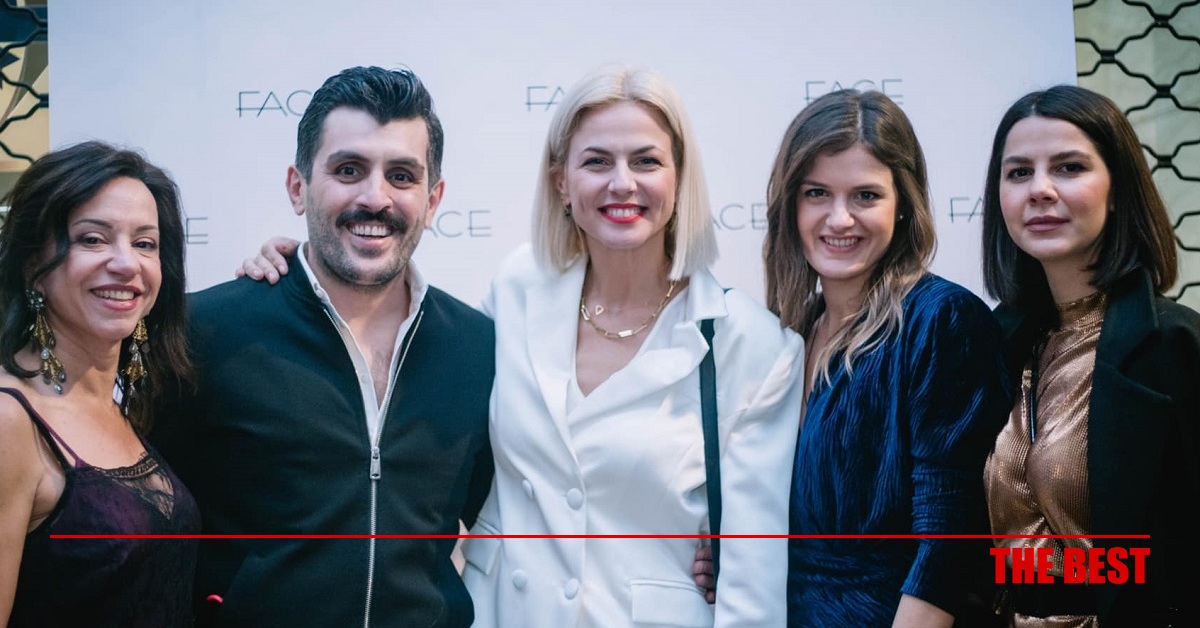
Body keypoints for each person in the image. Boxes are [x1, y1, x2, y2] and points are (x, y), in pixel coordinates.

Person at [242, 64, 803, 627]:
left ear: (680, 178)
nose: (622, 183)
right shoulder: (518, 290)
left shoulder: (751, 345)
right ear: (561, 182)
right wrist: (301, 272)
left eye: (646, 161)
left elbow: (752, 587)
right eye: (597, 161)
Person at [150, 66, 495, 627]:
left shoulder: (479, 348)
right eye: (348, 170)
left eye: (401, 176)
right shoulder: (203, 332)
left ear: (433, 200)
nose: (375, 197)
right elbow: (142, 529)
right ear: (298, 186)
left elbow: (515, 514)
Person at [763, 89, 1011, 626]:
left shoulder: (942, 320)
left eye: (866, 196)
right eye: (816, 193)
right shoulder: (788, 333)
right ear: (791, 205)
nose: (839, 218)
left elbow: (950, 540)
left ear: (902, 205)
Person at [981, 85, 1199, 627]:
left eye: (1069, 167)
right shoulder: (994, 343)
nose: (1040, 190)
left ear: (1118, 189)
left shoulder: (1174, 346)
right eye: (1019, 172)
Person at [0, 141, 197, 626]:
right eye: (93, 239)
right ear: (33, 265)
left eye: (145, 244)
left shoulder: (126, 404)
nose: (126, 263)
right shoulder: (9, 420)